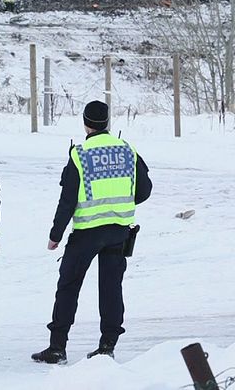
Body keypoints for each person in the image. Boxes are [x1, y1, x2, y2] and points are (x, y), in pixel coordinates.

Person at [32, 101, 152, 365]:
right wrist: (118, 202)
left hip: (86, 232)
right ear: (107, 122)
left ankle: (57, 347)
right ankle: (107, 345)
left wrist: (56, 234)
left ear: (85, 123)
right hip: (118, 231)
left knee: (68, 287)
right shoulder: (127, 149)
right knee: (111, 288)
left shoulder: (80, 153)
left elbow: (68, 200)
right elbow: (144, 190)